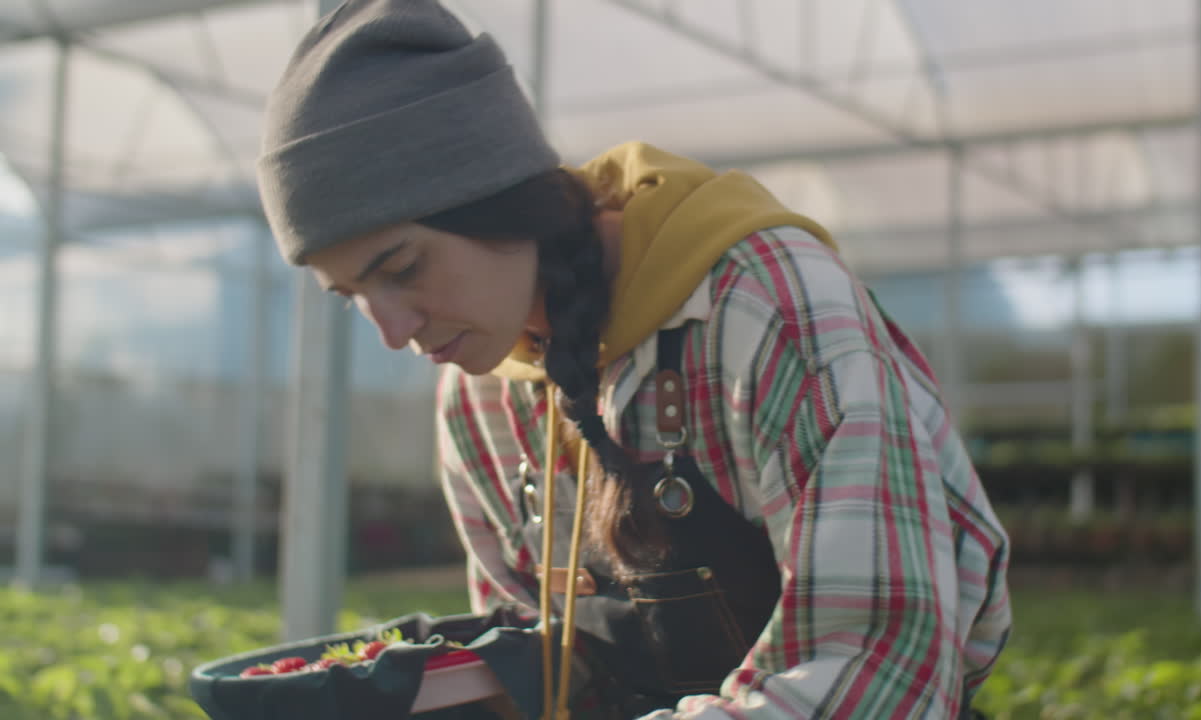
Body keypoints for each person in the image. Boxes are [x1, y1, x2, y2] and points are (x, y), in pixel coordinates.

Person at [255, 1, 1012, 718]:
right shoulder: (478, 391)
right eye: (349, 292)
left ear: (494, 198)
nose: (391, 330)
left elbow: (877, 669)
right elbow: (528, 649)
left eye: (402, 266)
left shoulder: (763, 305)